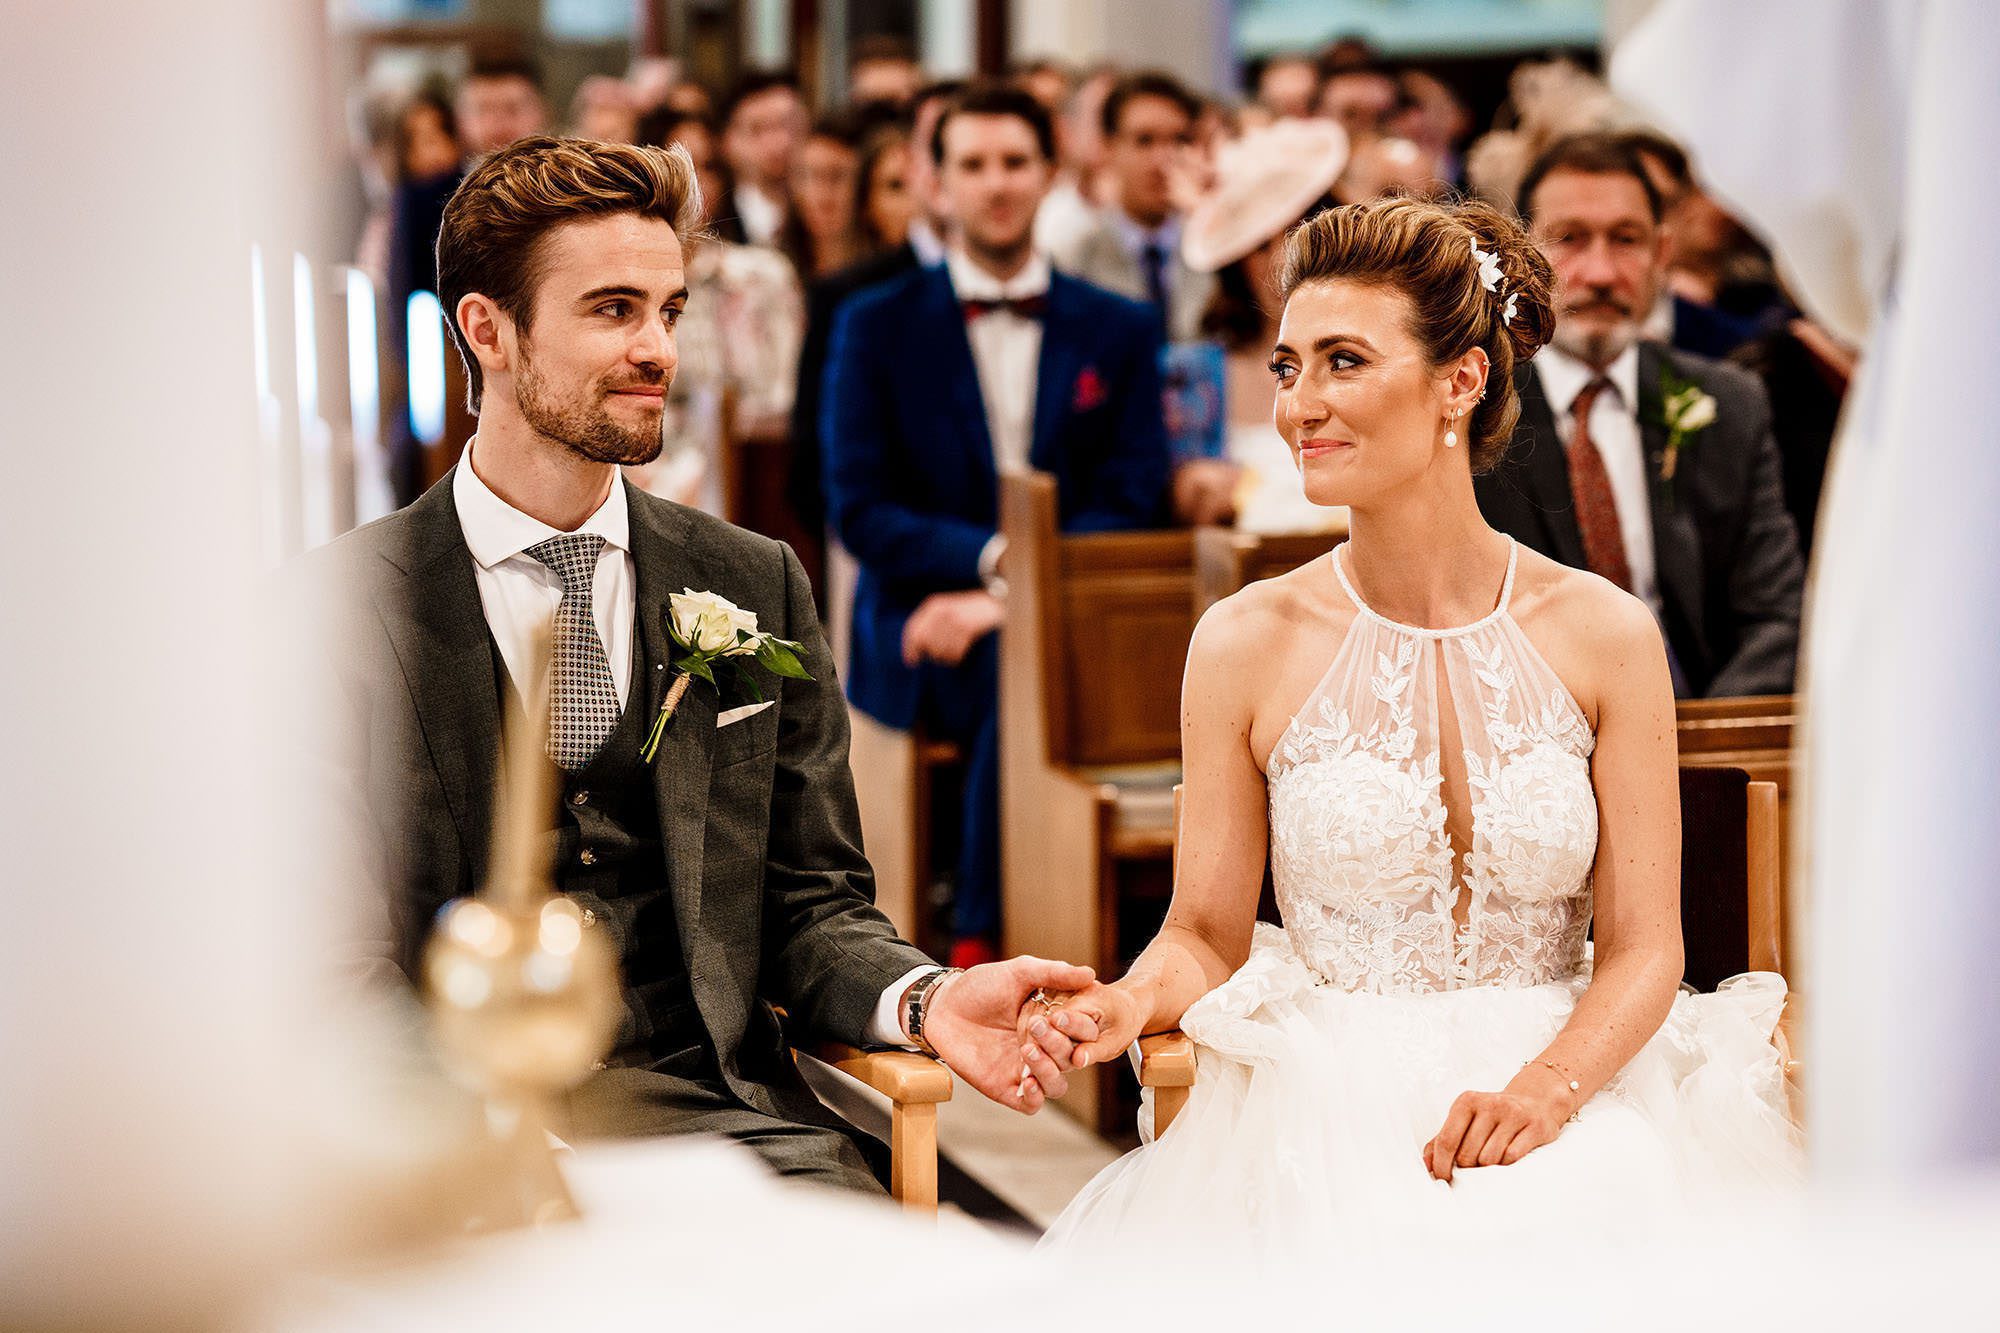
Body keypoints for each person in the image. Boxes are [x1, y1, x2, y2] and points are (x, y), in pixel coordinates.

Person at [310, 137, 1091, 1195]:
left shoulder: (752, 580)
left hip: (732, 1128)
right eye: (612, 310)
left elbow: (812, 902)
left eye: (668, 310)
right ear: (486, 330)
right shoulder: (338, 614)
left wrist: (921, 1002)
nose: (659, 349)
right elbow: (333, 974)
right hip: (452, 1153)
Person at [1020, 196, 1800, 1254]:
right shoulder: (1241, 640)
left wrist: (1543, 1094)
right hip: (1327, 1096)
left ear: (1460, 381)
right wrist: (1123, 1001)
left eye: (1343, 360)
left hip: (1572, 1073)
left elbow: (1641, 946)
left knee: (1602, 1209)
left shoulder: (1605, 633)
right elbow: (1202, 932)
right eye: (1289, 365)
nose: (1301, 404)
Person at [821, 84, 1172, 966]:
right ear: (936, 184)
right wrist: (992, 567)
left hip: (1064, 614)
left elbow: (1136, 496)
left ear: (1051, 173)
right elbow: (859, 507)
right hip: (921, 615)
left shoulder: (1118, 326)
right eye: (972, 165)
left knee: (1023, 657)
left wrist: (1013, 595)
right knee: (1003, 668)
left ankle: (1070, 925)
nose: (997, 184)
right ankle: (985, 931)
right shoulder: (875, 325)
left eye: (1015, 162)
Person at [1476, 132, 1805, 697]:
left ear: (1662, 252)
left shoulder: (1730, 403)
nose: (1601, 273)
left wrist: (1694, 747)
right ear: (1522, 257)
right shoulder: (1473, 411)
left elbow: (1777, 618)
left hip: (1702, 734)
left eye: (1625, 240)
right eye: (1570, 240)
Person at [623, 113, 804, 515]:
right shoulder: (617, 289)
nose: (692, 184)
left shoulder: (763, 276)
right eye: (675, 166)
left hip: (749, 486)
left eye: (705, 167)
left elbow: (781, 403)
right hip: (636, 484)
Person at [1051, 71, 1214, 344]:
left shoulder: (1212, 254)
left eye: (1179, 140)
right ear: (1109, 147)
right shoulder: (1075, 257)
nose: (1162, 160)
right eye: (1144, 141)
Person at [716, 70, 806, 247]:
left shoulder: (831, 216)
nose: (780, 141)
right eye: (758, 129)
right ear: (727, 142)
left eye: (789, 125)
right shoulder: (714, 219)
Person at [777, 116, 862, 281]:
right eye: (808, 176)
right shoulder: (774, 266)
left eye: (836, 176)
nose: (822, 195)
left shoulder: (885, 271)